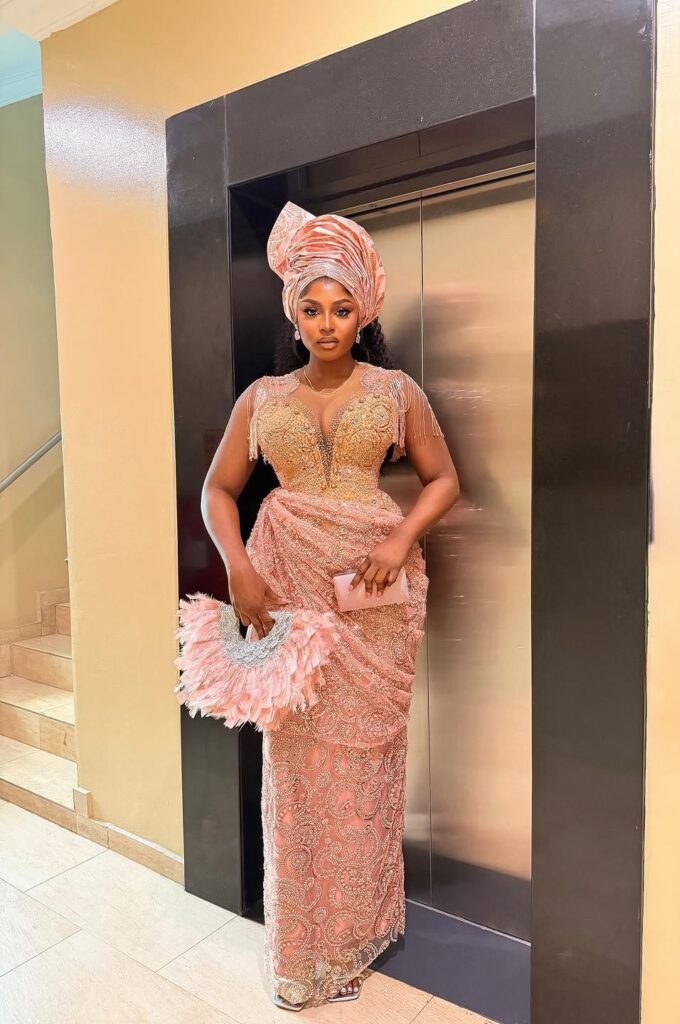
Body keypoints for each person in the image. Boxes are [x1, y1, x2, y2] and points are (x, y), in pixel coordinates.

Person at [200, 200, 460, 1010]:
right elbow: (218, 490)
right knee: (296, 773)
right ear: (293, 312)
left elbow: (444, 480)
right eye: (311, 308)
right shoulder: (262, 396)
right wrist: (238, 567)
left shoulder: (397, 391)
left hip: (370, 601)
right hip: (286, 595)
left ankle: (351, 939)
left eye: (341, 308)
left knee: (363, 770)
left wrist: (400, 538)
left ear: (364, 311)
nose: (326, 324)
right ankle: (299, 948)